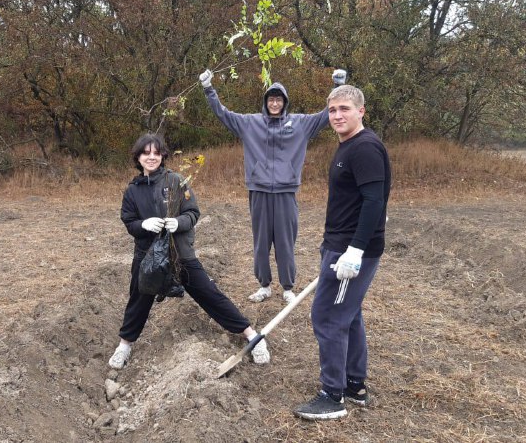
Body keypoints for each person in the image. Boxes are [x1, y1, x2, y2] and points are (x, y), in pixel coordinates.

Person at [108, 133, 270, 369]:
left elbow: (192, 213)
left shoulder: (176, 181)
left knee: (209, 293)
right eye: (146, 153)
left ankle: (252, 336)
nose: (151, 157)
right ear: (138, 156)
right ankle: (124, 346)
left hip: (179, 255)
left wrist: (179, 223)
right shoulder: (133, 190)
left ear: (163, 155)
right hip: (148, 257)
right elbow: (129, 221)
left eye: (156, 152)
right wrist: (143, 225)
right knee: (138, 299)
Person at [199, 68, 347, 304]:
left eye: (279, 99)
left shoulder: (300, 123)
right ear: (265, 101)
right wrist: (208, 89)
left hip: (286, 192)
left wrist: (337, 87)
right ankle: (264, 285)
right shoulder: (250, 123)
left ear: (284, 102)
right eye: (271, 99)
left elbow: (324, 116)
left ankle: (288, 288)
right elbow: (223, 114)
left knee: (285, 243)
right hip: (258, 191)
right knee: (260, 242)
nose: (275, 103)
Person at [293, 85, 391, 420]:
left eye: (344, 109)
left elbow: (375, 201)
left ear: (361, 111)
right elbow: (372, 198)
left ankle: (332, 396)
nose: (337, 115)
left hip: (350, 251)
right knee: (348, 315)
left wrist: (355, 250)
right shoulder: (349, 146)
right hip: (339, 244)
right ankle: (354, 386)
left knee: (328, 316)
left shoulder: (364, 148)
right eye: (332, 110)